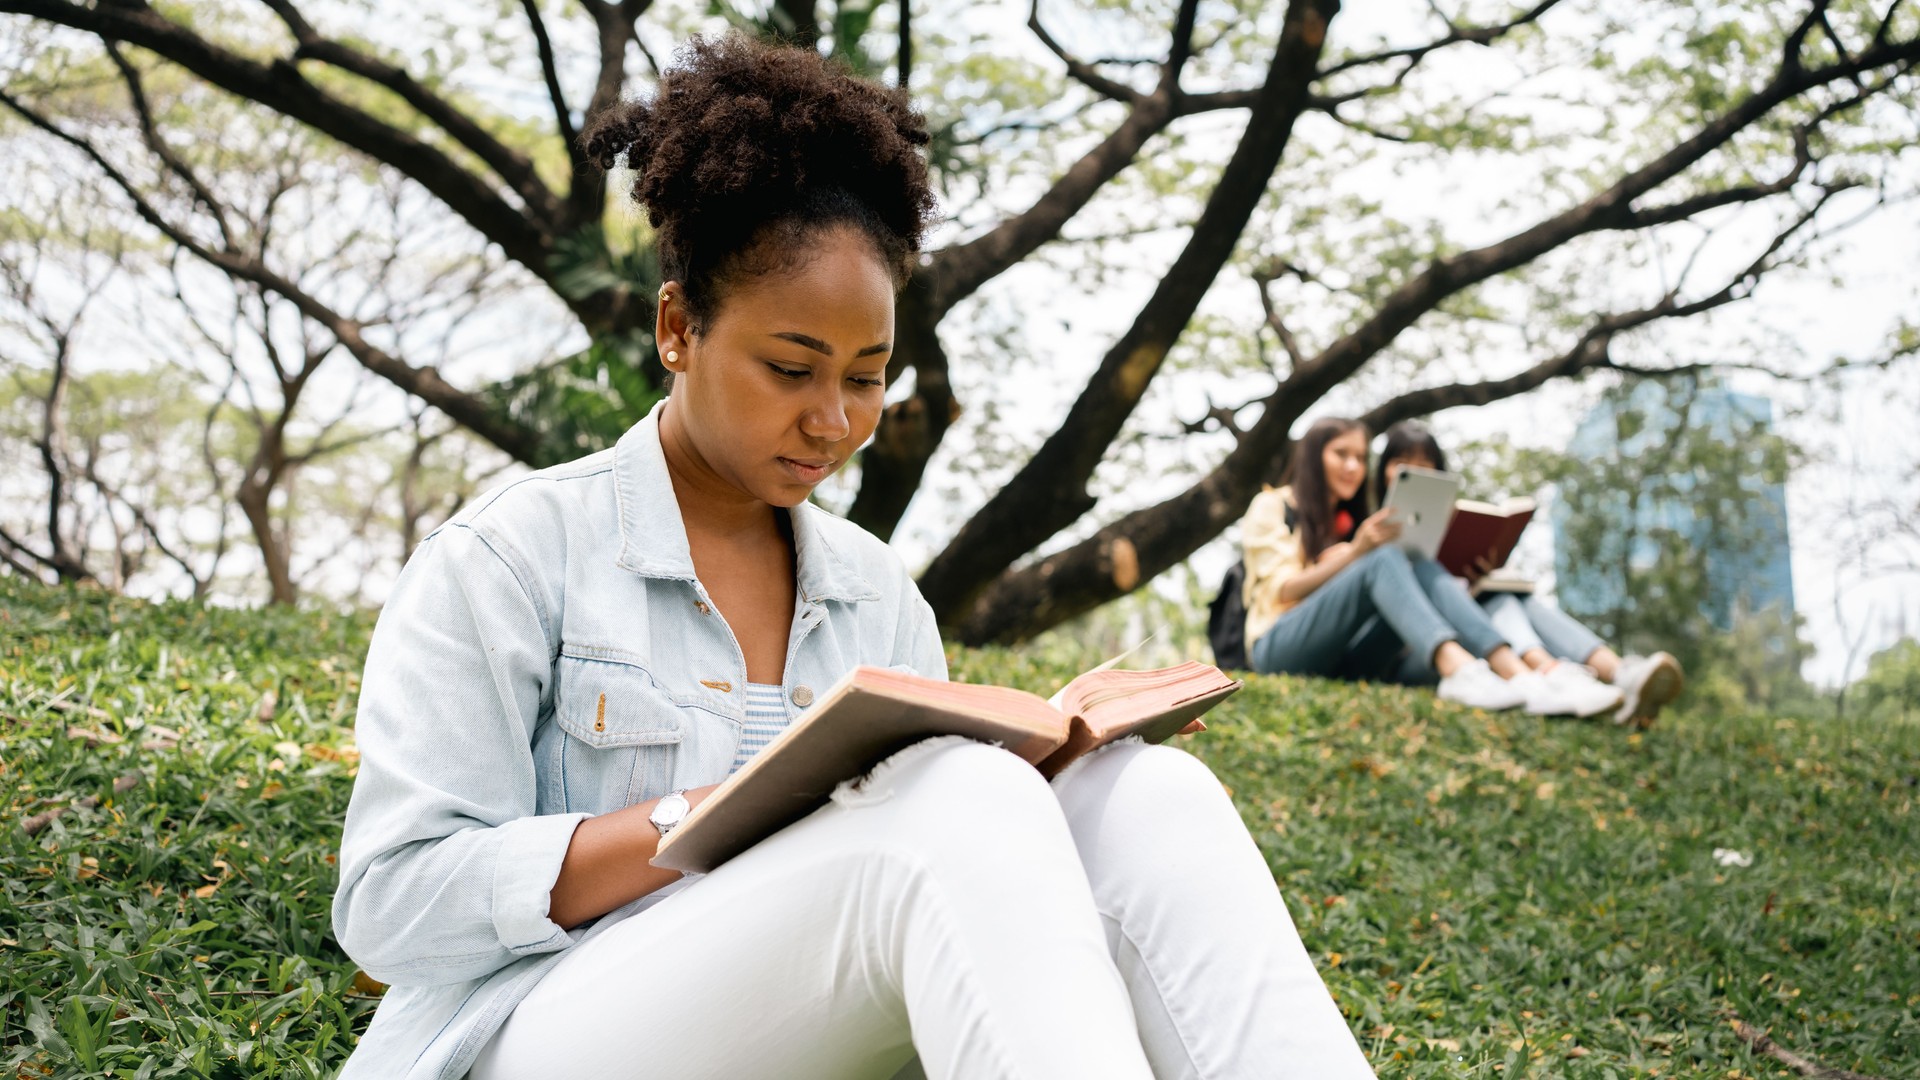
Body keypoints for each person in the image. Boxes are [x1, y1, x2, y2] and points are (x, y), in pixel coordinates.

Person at [329, 35, 1376, 1080]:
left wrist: (1039, 761)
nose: (833, 420)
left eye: (869, 377)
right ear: (679, 329)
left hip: (791, 1034)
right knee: (956, 803)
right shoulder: (511, 557)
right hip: (536, 1031)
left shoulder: (878, 600)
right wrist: (699, 823)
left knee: (1147, 798)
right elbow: (391, 901)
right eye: (792, 368)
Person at [1240, 417, 1619, 717]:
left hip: (1347, 662)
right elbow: (1280, 590)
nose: (1353, 466)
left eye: (1360, 457)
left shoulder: (1360, 524)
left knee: (1415, 560)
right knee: (1386, 557)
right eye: (1341, 454)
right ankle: (1459, 671)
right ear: (1313, 457)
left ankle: (1519, 675)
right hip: (1280, 647)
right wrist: (1357, 554)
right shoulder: (1274, 506)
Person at [1373, 421, 1684, 726]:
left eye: (1425, 464)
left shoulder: (1445, 527)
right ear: (1383, 470)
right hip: (1416, 654)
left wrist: (1477, 580)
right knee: (1439, 575)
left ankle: (1616, 673)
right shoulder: (1369, 539)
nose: (1416, 472)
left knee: (1504, 595)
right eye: (1402, 463)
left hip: (1474, 646)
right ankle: (1546, 673)